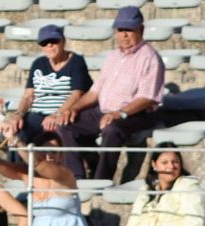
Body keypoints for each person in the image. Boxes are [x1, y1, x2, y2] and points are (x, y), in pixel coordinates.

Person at [59, 5, 163, 183]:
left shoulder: (150, 58)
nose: (124, 35)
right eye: (120, 30)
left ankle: (101, 180)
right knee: (65, 125)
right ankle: (76, 177)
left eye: (129, 30)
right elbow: (95, 92)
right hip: (105, 110)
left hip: (135, 114)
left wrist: (119, 113)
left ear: (141, 30)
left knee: (111, 129)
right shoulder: (113, 57)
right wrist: (74, 108)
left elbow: (148, 97)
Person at [0, 24, 92, 178]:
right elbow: (29, 95)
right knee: (17, 130)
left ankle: (71, 176)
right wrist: (18, 114)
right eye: (44, 43)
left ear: (63, 41)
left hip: (62, 113)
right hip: (37, 114)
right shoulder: (38, 64)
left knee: (62, 130)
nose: (49, 45)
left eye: (53, 41)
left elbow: (77, 94)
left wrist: (57, 114)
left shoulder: (76, 62)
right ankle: (19, 174)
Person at [0, 147, 86, 226]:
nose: (49, 156)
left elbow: (39, 164)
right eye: (43, 152)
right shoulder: (28, 175)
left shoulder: (66, 175)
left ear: (60, 156)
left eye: (53, 152)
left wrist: (18, 143)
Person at [122, 149, 205, 226]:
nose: (171, 166)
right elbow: (132, 224)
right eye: (165, 162)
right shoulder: (146, 191)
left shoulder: (190, 187)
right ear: (154, 165)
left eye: (175, 162)